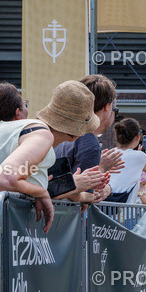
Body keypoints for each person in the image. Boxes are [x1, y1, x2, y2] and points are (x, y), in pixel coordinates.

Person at [0, 80, 99, 232]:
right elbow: (5, 179)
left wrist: (76, 194)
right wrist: (42, 192)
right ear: (78, 132)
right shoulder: (42, 135)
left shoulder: (4, 129)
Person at [53, 74, 122, 203]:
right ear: (107, 107)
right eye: (115, 110)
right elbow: (84, 199)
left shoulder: (63, 133)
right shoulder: (89, 142)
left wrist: (106, 186)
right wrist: (99, 171)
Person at [106, 118, 146, 204]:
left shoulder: (109, 153)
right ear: (138, 136)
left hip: (105, 206)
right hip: (125, 209)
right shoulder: (139, 156)